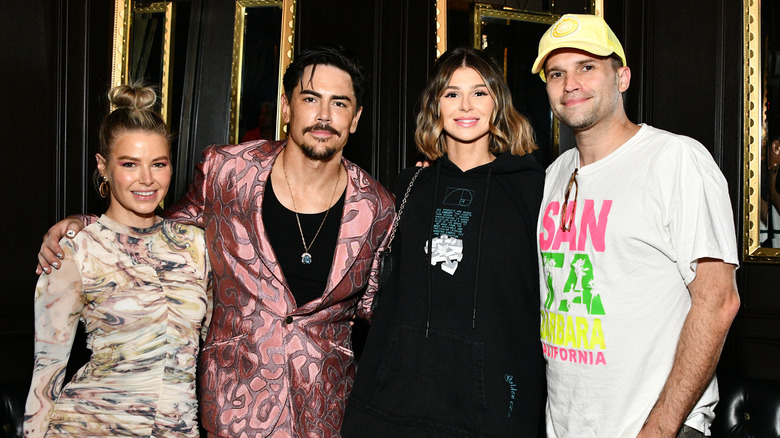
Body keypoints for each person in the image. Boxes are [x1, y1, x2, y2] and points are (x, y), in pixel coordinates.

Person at [35, 46, 395, 437]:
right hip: (233, 407)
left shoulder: (377, 207)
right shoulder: (227, 171)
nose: (323, 116)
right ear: (286, 107)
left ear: (356, 118)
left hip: (326, 413)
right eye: (310, 99)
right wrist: (87, 224)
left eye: (339, 103)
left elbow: (384, 311)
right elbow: (162, 227)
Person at [532, 14, 741, 437]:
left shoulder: (676, 160)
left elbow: (718, 302)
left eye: (587, 67)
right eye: (557, 73)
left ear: (622, 77)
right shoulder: (555, 174)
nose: (570, 83)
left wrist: (660, 429)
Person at [342, 47, 546, 437]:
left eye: (479, 92)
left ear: (498, 102)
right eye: (451, 93)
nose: (465, 104)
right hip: (398, 405)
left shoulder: (531, 188)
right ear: (435, 104)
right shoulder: (409, 185)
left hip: (490, 410)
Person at [24, 84, 212, 437]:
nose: (146, 179)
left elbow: (215, 344)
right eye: (129, 164)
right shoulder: (76, 248)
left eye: (159, 164)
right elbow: (46, 371)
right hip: (89, 426)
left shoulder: (196, 246)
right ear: (103, 167)